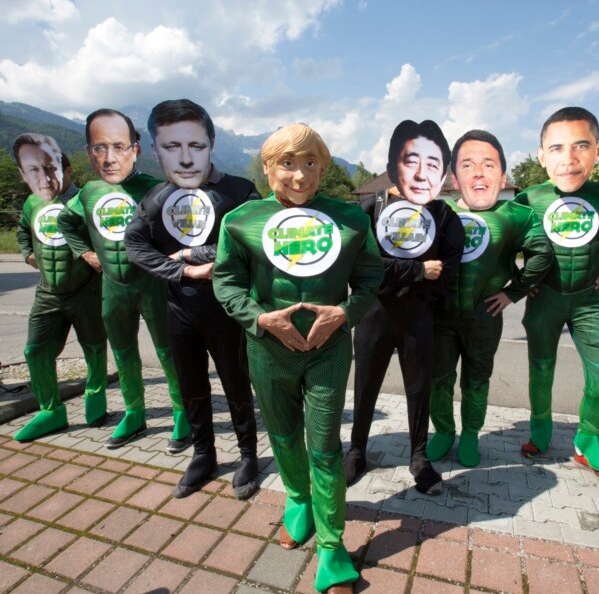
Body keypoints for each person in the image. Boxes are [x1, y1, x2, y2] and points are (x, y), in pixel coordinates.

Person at [213, 124, 383, 594]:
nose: (300, 174)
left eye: (311, 162)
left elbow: (372, 277)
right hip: (268, 350)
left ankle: (332, 548)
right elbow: (225, 282)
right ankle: (296, 499)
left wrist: (346, 312)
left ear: (323, 167)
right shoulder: (241, 220)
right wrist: (261, 320)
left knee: (324, 446)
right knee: (283, 434)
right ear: (268, 168)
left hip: (328, 351)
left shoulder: (352, 219)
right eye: (287, 163)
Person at [124, 99, 260, 499]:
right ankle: (204, 454)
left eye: (196, 146)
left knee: (236, 383)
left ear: (212, 144)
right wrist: (182, 271)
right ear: (154, 150)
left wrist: (189, 255)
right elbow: (134, 244)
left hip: (228, 309)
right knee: (192, 385)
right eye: (171, 146)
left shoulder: (239, 191)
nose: (184, 159)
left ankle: (249, 454)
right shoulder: (155, 198)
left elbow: (252, 242)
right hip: (179, 309)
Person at [516, 106, 599, 485]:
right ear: (541, 155)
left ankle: (586, 441)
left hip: (589, 301)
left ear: (598, 150)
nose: (568, 159)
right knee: (541, 372)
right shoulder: (529, 198)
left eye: (581, 146)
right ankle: (540, 432)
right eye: (556, 148)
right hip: (545, 299)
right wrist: (521, 278)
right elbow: (503, 241)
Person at [57, 109, 190, 452]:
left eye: (119, 146)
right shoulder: (87, 193)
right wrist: (84, 253)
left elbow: (189, 227)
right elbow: (66, 223)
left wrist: (179, 257)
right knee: (123, 351)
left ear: (136, 149)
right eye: (100, 147)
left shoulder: (157, 188)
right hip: (112, 287)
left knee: (168, 352)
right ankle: (134, 412)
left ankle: (182, 412)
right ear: (89, 152)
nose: (110, 156)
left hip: (154, 286)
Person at [344, 119, 464, 492]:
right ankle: (357, 451)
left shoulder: (444, 216)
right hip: (373, 314)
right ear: (394, 162)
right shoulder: (370, 208)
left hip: (418, 316)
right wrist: (415, 270)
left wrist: (413, 279)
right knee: (365, 385)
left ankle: (419, 456)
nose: (421, 172)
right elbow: (357, 266)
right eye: (411, 160)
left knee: (418, 389)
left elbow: (448, 272)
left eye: (433, 163)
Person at [426, 130, 553, 467]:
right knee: (438, 378)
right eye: (468, 165)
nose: (479, 172)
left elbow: (541, 254)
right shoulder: (437, 210)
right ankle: (443, 431)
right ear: (455, 177)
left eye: (488, 164)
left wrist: (514, 291)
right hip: (440, 317)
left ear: (502, 174)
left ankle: (470, 434)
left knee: (477, 378)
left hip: (484, 316)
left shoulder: (517, 215)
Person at [12, 134, 108, 441]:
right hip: (48, 292)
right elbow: (23, 230)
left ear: (67, 171)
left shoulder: (88, 202)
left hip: (86, 290)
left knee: (94, 348)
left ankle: (97, 399)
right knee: (35, 350)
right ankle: (51, 410)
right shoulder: (31, 203)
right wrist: (27, 253)